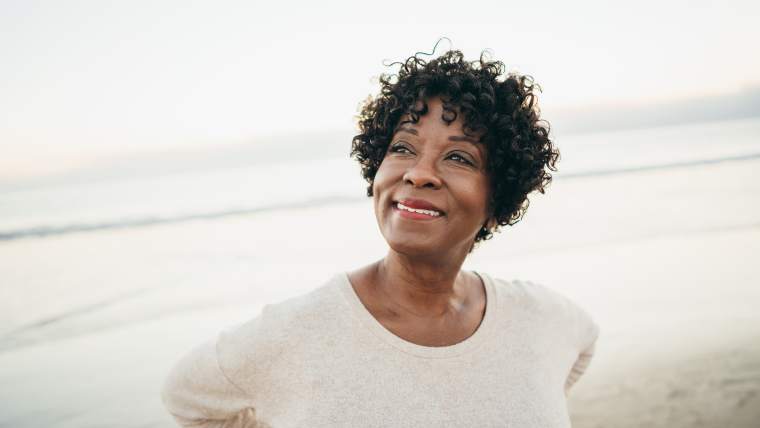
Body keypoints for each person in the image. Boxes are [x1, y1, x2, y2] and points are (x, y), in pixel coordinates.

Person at [161, 48, 599, 428]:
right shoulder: (299, 332)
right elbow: (186, 396)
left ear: (497, 202)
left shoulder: (542, 318)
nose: (419, 172)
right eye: (403, 147)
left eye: (459, 156)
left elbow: (583, 343)